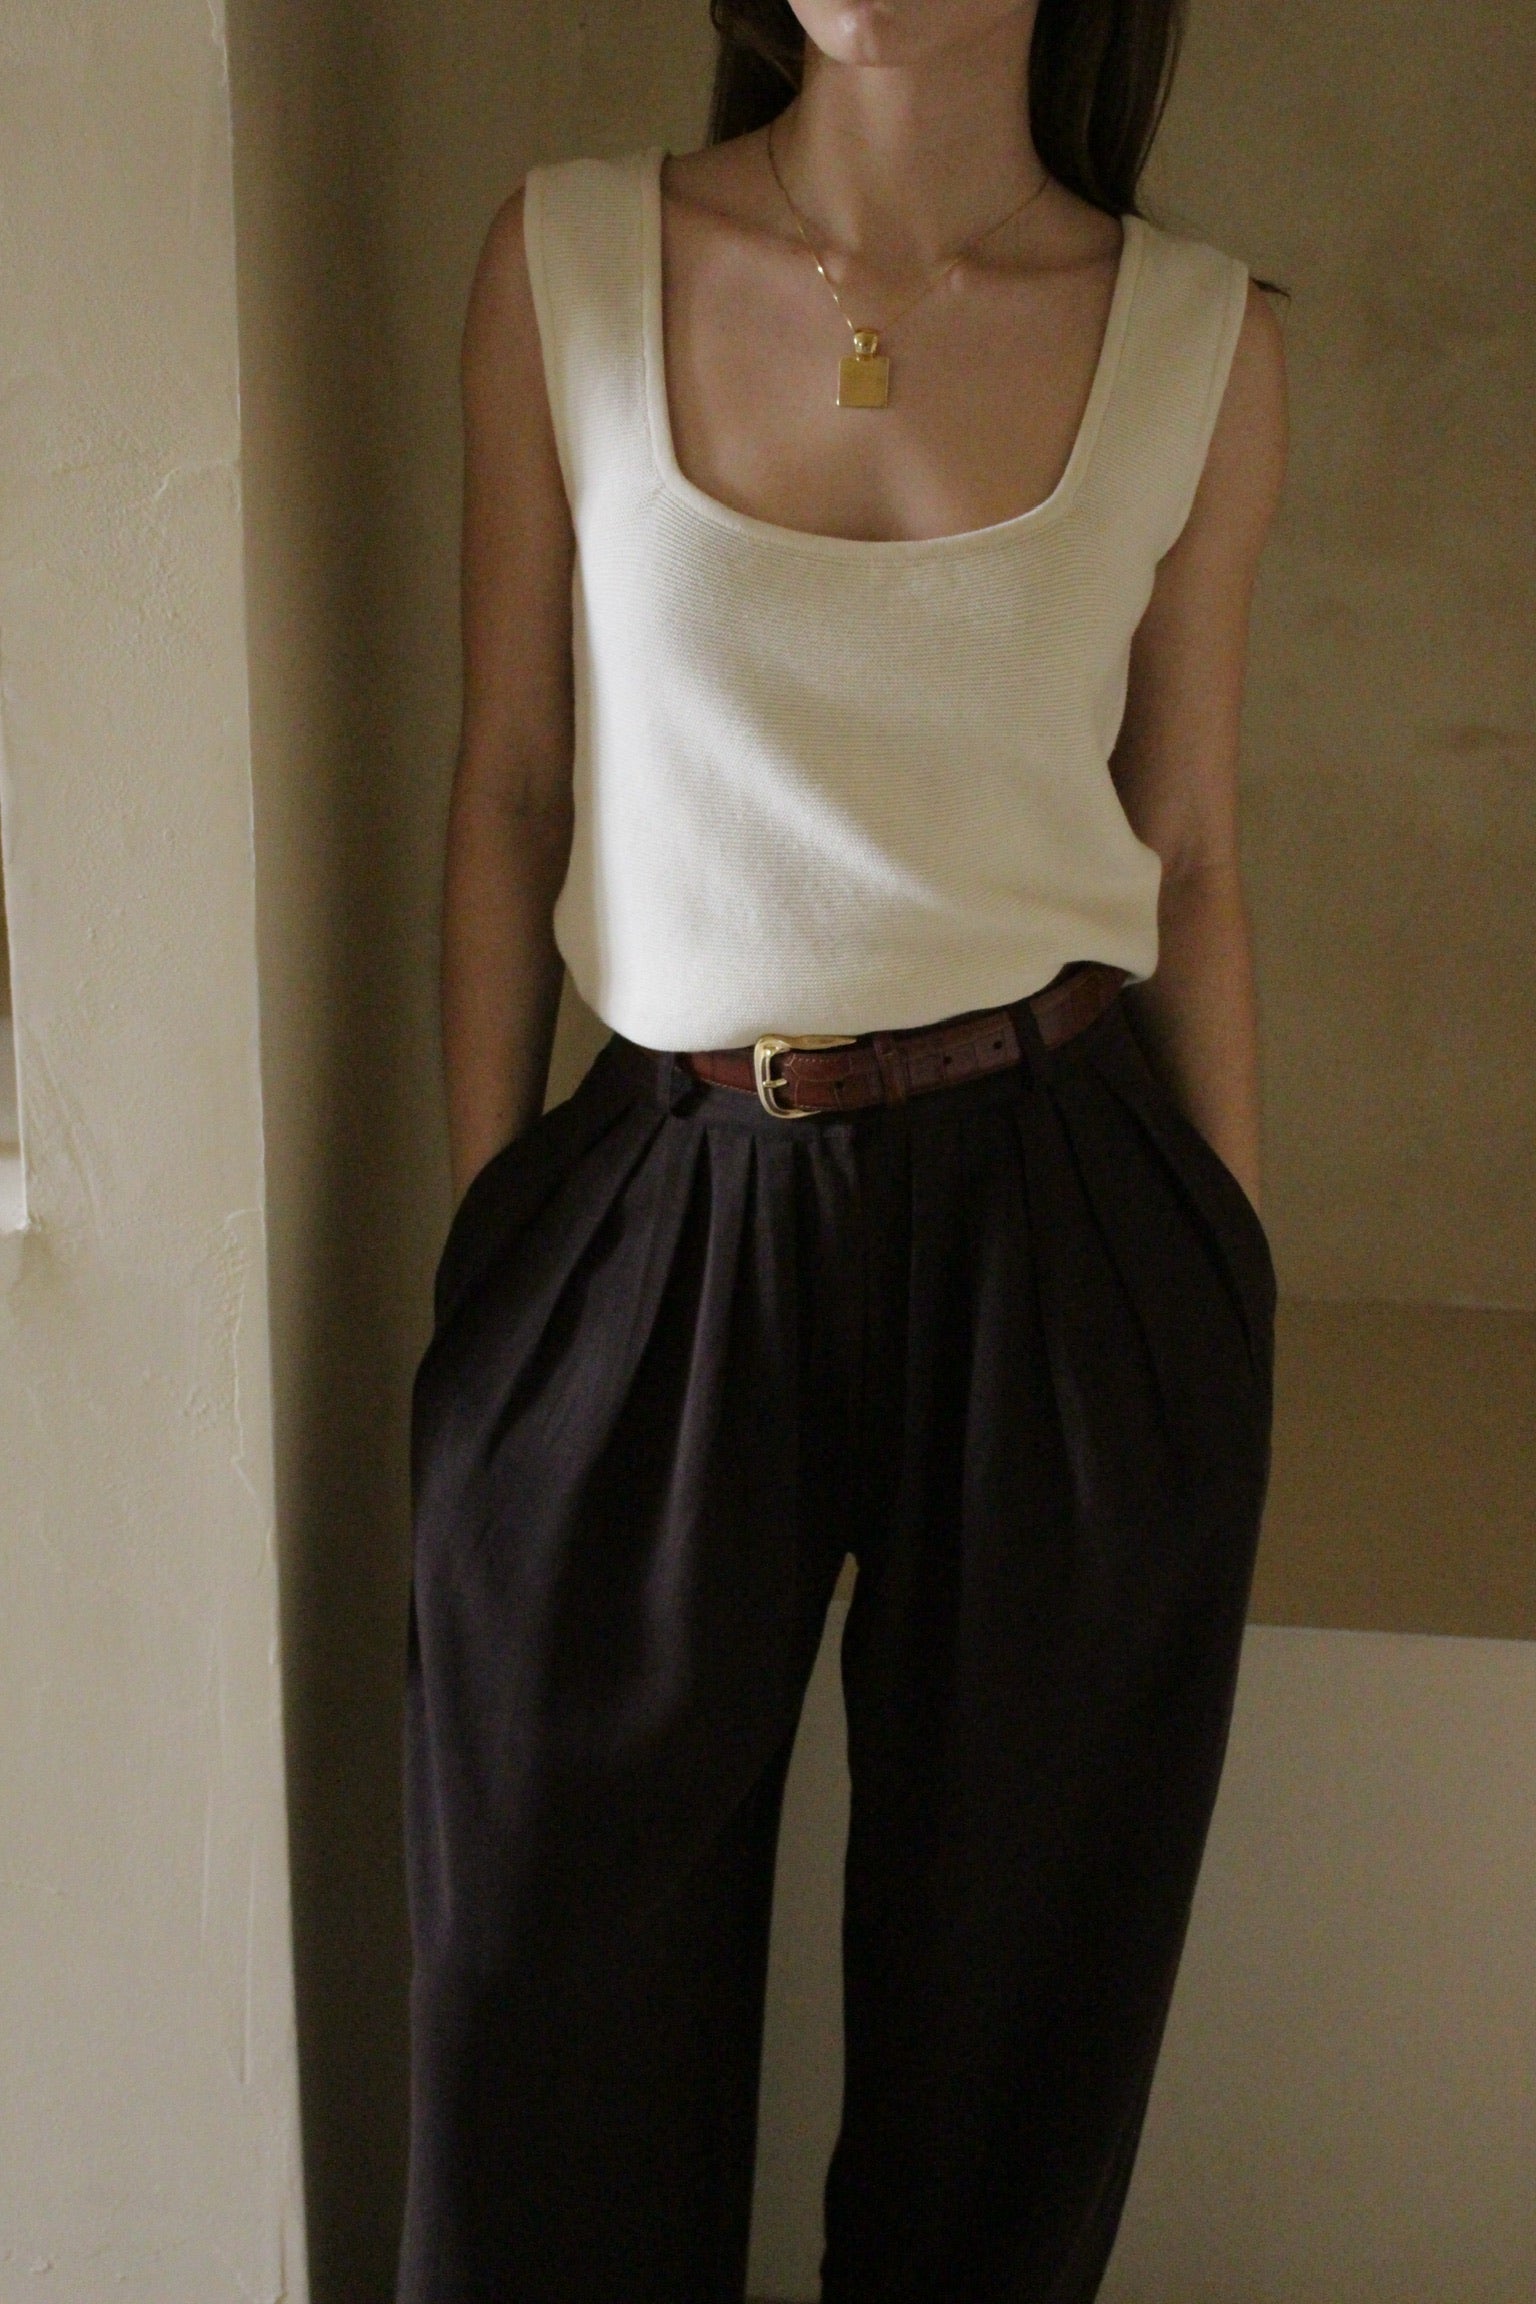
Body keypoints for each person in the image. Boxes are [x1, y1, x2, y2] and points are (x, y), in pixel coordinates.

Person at [397, 0, 1287, 2296]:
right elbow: (509, 783)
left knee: (1015, 2040)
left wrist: (1220, 1305)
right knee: (546, 2012)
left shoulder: (1198, 338)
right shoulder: (569, 262)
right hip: (660, 1194)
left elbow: (1189, 845)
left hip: (1065, 1208)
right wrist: (498, 1257)